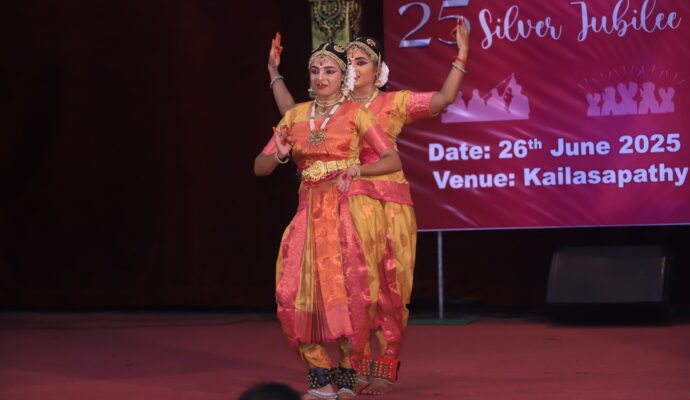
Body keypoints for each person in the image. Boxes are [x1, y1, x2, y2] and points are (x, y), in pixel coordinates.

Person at [267, 19, 470, 395]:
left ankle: (383, 369)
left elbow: (442, 100)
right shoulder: (335, 108)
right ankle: (352, 370)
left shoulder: (394, 103)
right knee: (357, 291)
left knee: (391, 290)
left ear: (378, 70)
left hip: (389, 205)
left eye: (362, 62)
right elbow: (292, 115)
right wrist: (275, 75)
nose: (355, 68)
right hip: (347, 205)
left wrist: (461, 55)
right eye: (351, 62)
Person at [255, 42, 403, 400]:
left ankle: (348, 379)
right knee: (292, 294)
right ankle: (320, 379)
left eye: (330, 71)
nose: (321, 77)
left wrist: (358, 169)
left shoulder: (356, 114)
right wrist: (280, 155)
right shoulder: (295, 117)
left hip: (346, 217)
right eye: (315, 70)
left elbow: (392, 159)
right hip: (307, 218)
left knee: (351, 297)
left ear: (344, 76)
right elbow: (259, 168)